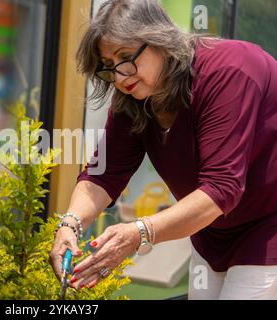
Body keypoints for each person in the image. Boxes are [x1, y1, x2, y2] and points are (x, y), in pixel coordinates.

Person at [49, 0, 277, 300]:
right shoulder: (133, 96)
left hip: (269, 223)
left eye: (126, 57)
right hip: (212, 231)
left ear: (161, 41)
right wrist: (71, 223)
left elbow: (222, 187)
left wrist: (138, 233)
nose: (118, 76)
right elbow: (103, 174)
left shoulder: (230, 69)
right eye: (108, 65)